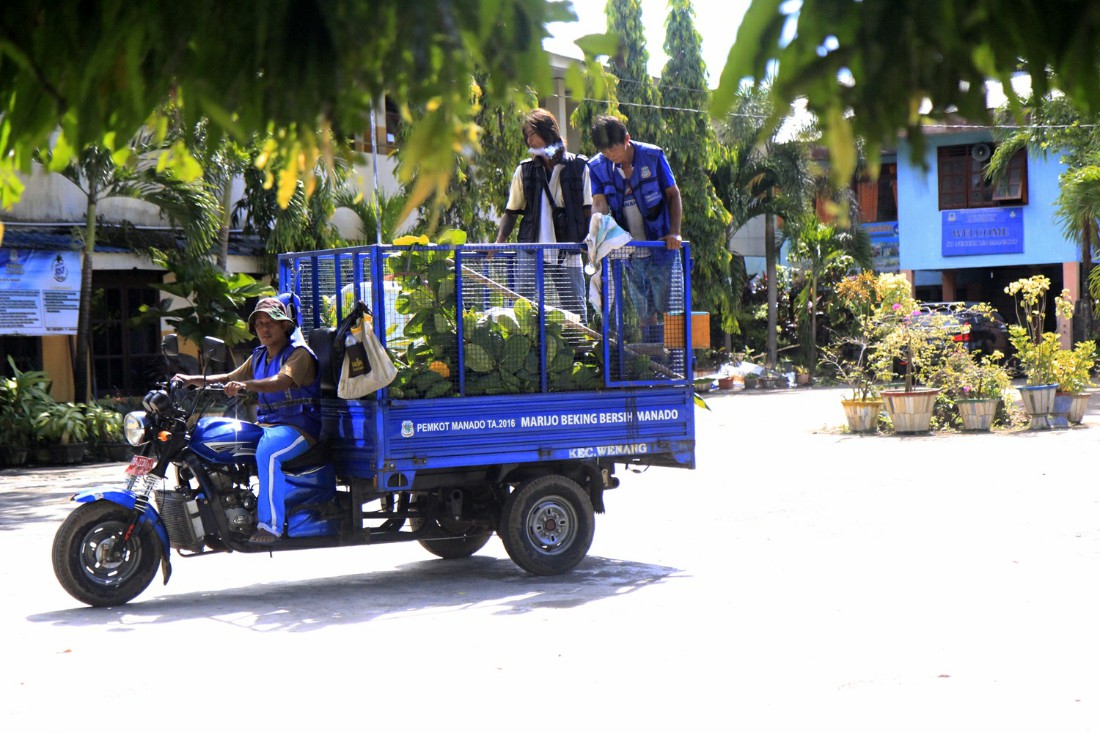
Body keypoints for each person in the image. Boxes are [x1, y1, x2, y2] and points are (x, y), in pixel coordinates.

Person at [173, 297, 321, 544]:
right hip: (268, 426)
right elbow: (228, 377)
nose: (264, 328)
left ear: (284, 325)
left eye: (270, 323)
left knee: (268, 453)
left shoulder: (299, 355)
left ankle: (270, 526)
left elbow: (281, 382)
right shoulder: (260, 356)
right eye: (260, 323)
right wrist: (193, 379)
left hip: (299, 427)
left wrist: (244, 385)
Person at [587, 115, 683, 338]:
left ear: (627, 139)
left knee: (671, 307)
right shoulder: (597, 167)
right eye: (604, 151)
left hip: (661, 246)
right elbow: (599, 203)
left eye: (613, 149)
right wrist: (595, 235)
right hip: (629, 250)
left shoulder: (653, 155)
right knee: (643, 309)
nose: (609, 155)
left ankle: (675, 365)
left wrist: (674, 233)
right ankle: (653, 361)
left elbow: (673, 194)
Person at [495, 108, 592, 315]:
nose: (529, 141)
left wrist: (590, 242)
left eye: (532, 134)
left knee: (575, 308)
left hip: (568, 250)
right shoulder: (525, 170)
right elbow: (511, 211)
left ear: (548, 131)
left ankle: (580, 347)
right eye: (526, 136)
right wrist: (499, 242)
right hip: (531, 249)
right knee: (524, 308)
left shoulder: (579, 167)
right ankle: (530, 347)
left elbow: (588, 210)